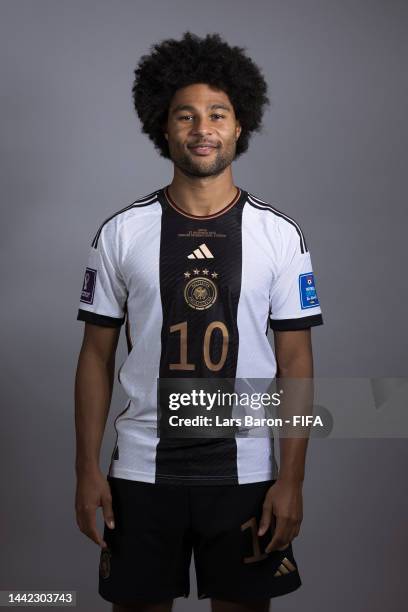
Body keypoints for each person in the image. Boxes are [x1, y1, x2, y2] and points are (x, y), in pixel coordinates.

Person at [74, 31, 323, 612]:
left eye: (217, 114)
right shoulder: (121, 232)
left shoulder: (279, 236)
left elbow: (296, 362)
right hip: (139, 471)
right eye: (185, 116)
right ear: (164, 127)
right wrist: (87, 469)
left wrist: (292, 479)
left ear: (240, 126)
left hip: (245, 473)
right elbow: (94, 355)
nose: (202, 129)